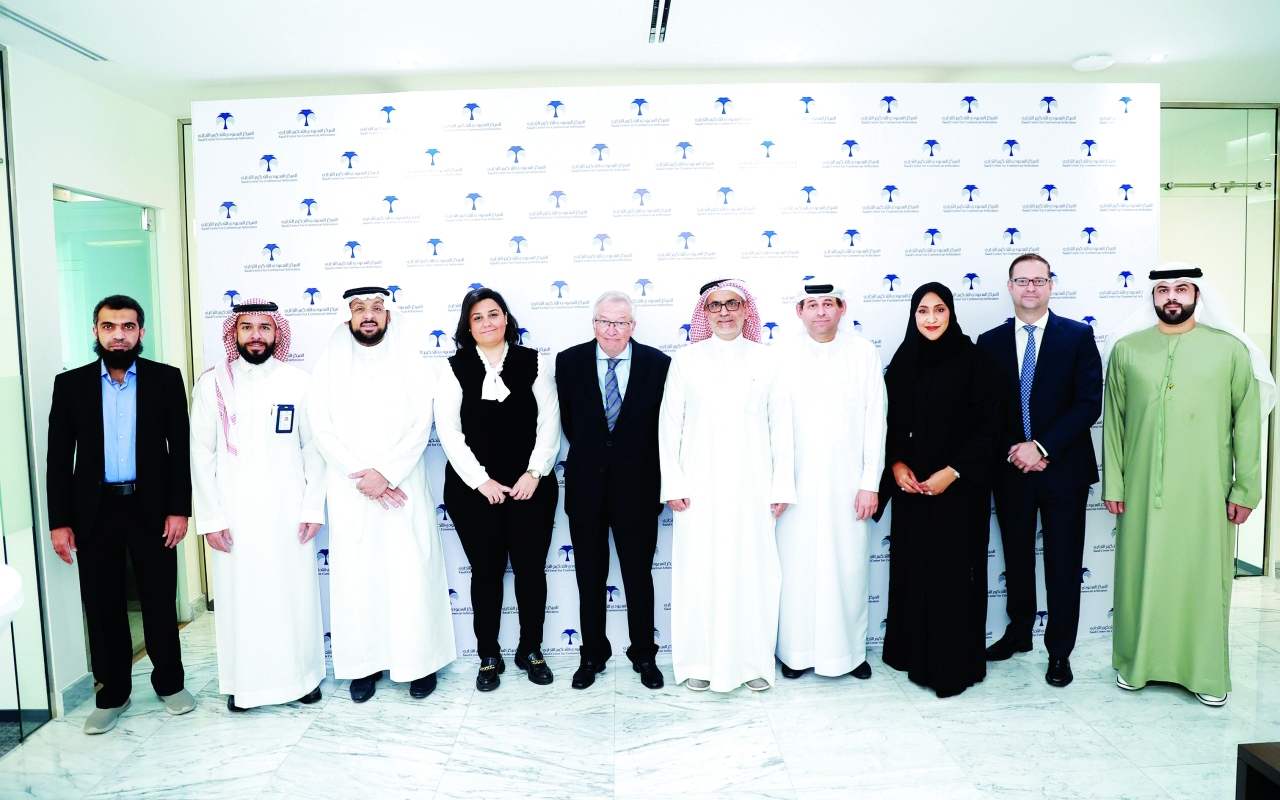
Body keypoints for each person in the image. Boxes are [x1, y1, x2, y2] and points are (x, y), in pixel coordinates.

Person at [1103, 264, 1274, 706]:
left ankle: (1203, 672)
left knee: (1202, 579)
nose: (1172, 297)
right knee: (1141, 576)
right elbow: (1114, 424)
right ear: (1153, 297)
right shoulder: (1127, 350)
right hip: (1142, 490)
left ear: (1197, 295)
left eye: (1181, 288)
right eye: (1163, 290)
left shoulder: (1230, 350)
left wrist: (1245, 489)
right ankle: (1137, 664)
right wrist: (1114, 484)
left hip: (1206, 491)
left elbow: (1247, 424)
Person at [47, 295, 195, 734]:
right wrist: (59, 521)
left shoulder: (165, 379)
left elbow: (180, 451)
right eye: (109, 326)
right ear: (96, 331)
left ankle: (170, 684)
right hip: (93, 511)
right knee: (102, 604)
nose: (118, 335)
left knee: (158, 599)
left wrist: (179, 510)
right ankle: (112, 694)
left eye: (128, 327)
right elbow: (59, 459)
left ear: (141, 333)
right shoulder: (70, 385)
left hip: (152, 508)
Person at [308, 287, 455, 703]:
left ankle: (419, 663)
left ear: (388, 316)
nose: (368, 315)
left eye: (376, 308)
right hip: (352, 489)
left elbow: (423, 421)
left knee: (411, 576)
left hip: (402, 488)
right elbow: (321, 428)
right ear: (348, 317)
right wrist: (364, 477)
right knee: (360, 579)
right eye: (359, 309)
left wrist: (387, 474)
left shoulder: (410, 362)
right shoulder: (328, 366)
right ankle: (363, 666)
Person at [190, 300, 327, 712]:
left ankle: (302, 680)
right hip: (234, 515)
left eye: (264, 327)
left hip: (288, 512)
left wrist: (312, 508)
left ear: (276, 333)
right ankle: (244, 686)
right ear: (234, 333)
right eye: (246, 327)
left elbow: (313, 450)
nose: (255, 335)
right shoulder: (213, 384)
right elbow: (201, 454)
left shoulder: (298, 382)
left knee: (294, 597)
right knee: (242, 601)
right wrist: (211, 518)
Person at [659, 278, 795, 692]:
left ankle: (751, 663)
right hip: (697, 488)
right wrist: (673, 483)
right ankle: (699, 663)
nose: (723, 312)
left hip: (754, 487)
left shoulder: (767, 359)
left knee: (753, 573)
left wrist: (781, 486)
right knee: (699, 572)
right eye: (715, 306)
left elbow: (781, 427)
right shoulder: (686, 360)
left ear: (746, 309)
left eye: (732, 304)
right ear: (704, 312)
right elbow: (670, 425)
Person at [977, 255, 1102, 688]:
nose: (1030, 287)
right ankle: (1018, 633)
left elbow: (1088, 403)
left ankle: (1059, 651)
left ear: (1051, 285)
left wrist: (1042, 447)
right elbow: (987, 409)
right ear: (1009, 287)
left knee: (1064, 564)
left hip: (1064, 470)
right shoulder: (989, 342)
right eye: (1022, 280)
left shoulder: (1078, 335)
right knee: (1016, 558)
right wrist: (1018, 452)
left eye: (1038, 280)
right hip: (1011, 469)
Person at [874, 283, 998, 698]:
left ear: (951, 313)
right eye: (923, 311)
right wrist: (896, 464)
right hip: (912, 491)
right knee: (913, 571)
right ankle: (911, 655)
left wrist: (954, 471)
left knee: (952, 577)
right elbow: (888, 422)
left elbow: (989, 426)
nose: (931, 318)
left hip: (958, 493)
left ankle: (951, 667)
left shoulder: (974, 360)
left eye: (939, 310)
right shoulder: (903, 359)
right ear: (913, 316)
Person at [435, 287, 561, 691]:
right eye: (477, 317)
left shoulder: (534, 361)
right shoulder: (454, 368)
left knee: (530, 571)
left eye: (493, 314)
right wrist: (481, 480)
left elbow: (550, 421)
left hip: (531, 486)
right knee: (486, 572)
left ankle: (531, 649)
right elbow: (449, 432)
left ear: (506, 318)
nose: (487, 322)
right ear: (467, 327)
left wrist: (534, 473)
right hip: (473, 490)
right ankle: (489, 654)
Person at [555, 291, 669, 690]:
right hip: (586, 487)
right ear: (594, 323)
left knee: (638, 577)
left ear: (632, 326)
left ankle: (644, 656)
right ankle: (592, 656)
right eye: (604, 321)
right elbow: (570, 422)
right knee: (589, 577)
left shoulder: (658, 364)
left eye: (620, 322)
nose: (612, 330)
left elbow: (662, 426)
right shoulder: (569, 361)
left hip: (639, 488)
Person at [775, 278, 885, 681]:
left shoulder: (863, 353)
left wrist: (870, 482)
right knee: (797, 569)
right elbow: (772, 423)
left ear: (842, 308)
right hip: (795, 487)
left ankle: (848, 655)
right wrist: (778, 483)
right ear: (799, 312)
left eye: (828, 303)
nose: (820, 311)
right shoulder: (781, 355)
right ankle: (795, 654)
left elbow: (876, 421)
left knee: (847, 568)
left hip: (848, 485)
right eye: (812, 304)